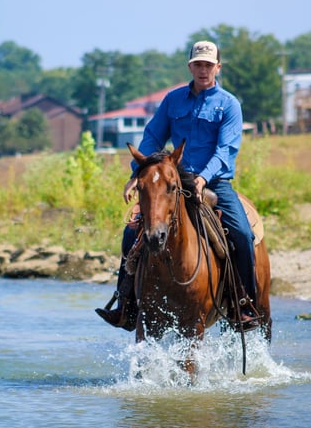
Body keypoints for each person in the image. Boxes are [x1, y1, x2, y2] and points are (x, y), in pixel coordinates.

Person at [96, 40, 259, 330]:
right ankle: (126, 306)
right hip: (171, 181)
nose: (203, 69)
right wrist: (138, 172)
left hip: (214, 183)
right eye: (198, 64)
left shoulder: (229, 104)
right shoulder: (173, 100)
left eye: (209, 65)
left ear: (217, 67)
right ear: (190, 66)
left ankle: (242, 304)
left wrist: (202, 177)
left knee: (242, 234)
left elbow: (226, 150)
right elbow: (151, 138)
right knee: (132, 229)